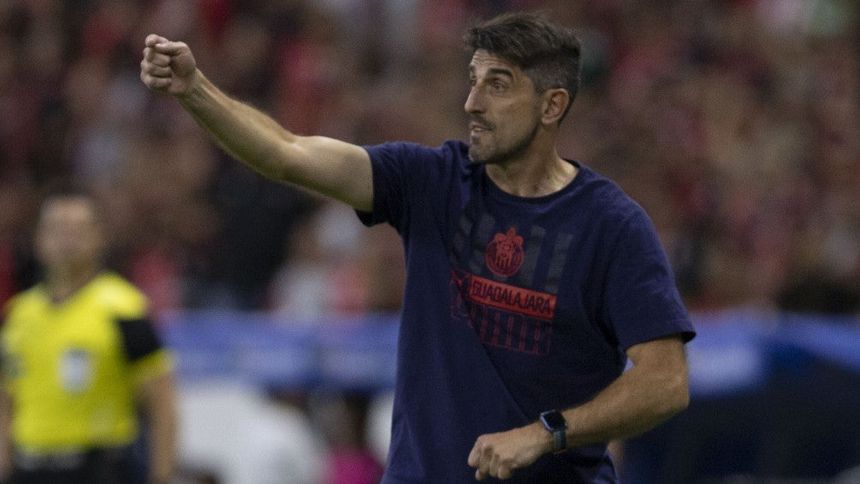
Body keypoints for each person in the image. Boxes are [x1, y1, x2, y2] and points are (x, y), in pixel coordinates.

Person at [140, 11, 695, 483]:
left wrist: (546, 433)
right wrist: (195, 90)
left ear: (552, 106)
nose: (472, 102)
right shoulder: (430, 181)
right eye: (473, 80)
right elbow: (286, 152)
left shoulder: (612, 226)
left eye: (498, 85)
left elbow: (665, 381)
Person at [0, 190, 177, 484]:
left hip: (96, 468)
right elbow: (6, 399)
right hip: (29, 468)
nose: (66, 240)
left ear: (99, 238)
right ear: (39, 240)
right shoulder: (18, 315)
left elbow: (162, 403)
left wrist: (161, 475)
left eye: (78, 230)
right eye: (57, 229)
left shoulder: (124, 309)